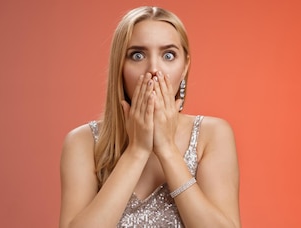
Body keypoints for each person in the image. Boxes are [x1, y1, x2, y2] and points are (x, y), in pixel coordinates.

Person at [59, 6, 240, 228]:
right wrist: (137, 151)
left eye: (168, 55)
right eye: (137, 55)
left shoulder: (212, 134)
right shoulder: (82, 142)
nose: (154, 69)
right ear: (120, 67)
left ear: (184, 68)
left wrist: (167, 150)